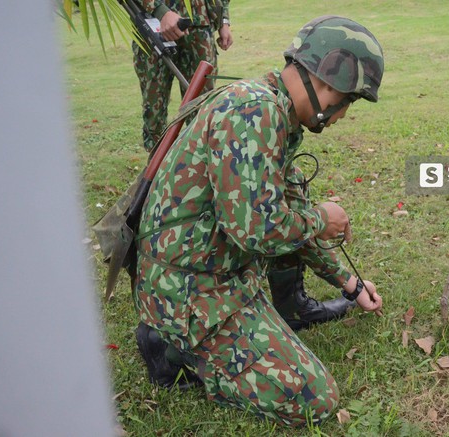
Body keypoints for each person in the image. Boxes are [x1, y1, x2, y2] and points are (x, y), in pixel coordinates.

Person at [133, 15, 385, 426]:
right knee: (313, 398)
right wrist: (321, 218)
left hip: (214, 273)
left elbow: (283, 212)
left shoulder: (273, 110)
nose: (343, 116)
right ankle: (172, 348)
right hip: (190, 294)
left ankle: (286, 310)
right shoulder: (254, 113)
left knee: (294, 204)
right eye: (349, 102)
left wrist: (350, 283)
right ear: (329, 86)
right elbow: (258, 231)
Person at [134, 0, 233, 152]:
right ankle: (155, 169)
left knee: (202, 106)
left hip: (200, 25)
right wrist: (161, 11)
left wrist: (223, 20)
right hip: (153, 22)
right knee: (154, 108)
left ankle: (196, 166)